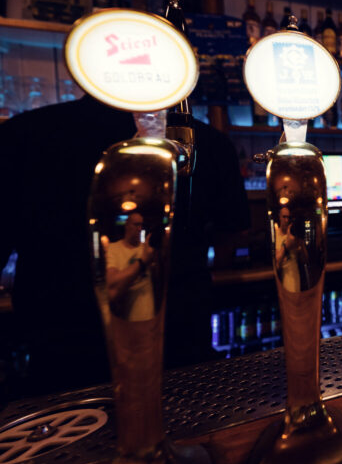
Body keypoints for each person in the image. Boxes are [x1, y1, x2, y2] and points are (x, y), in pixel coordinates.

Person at [0, 95, 249, 398]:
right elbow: (231, 234)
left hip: (59, 347)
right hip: (181, 344)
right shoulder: (207, 140)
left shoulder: (26, 132)